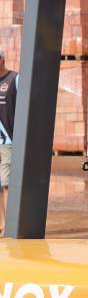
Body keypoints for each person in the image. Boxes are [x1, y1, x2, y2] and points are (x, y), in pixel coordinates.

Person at [0, 50, 18, 235]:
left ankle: (11, 224)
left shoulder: (14, 79)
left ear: (2, 59)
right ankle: (1, 223)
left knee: (7, 182)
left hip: (9, 140)